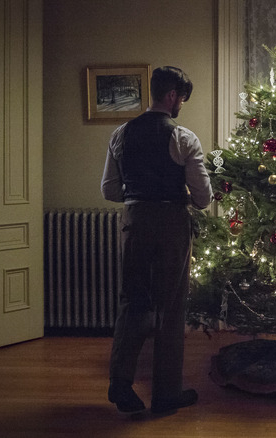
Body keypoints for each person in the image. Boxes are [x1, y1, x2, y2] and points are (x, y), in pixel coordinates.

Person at [101, 66, 212, 414]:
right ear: (171, 96)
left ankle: (120, 382)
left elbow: (108, 189)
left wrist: (138, 197)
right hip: (171, 221)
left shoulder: (121, 133)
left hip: (134, 219)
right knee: (169, 305)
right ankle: (165, 395)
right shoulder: (183, 138)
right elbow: (203, 197)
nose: (182, 105)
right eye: (182, 98)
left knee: (132, 299)